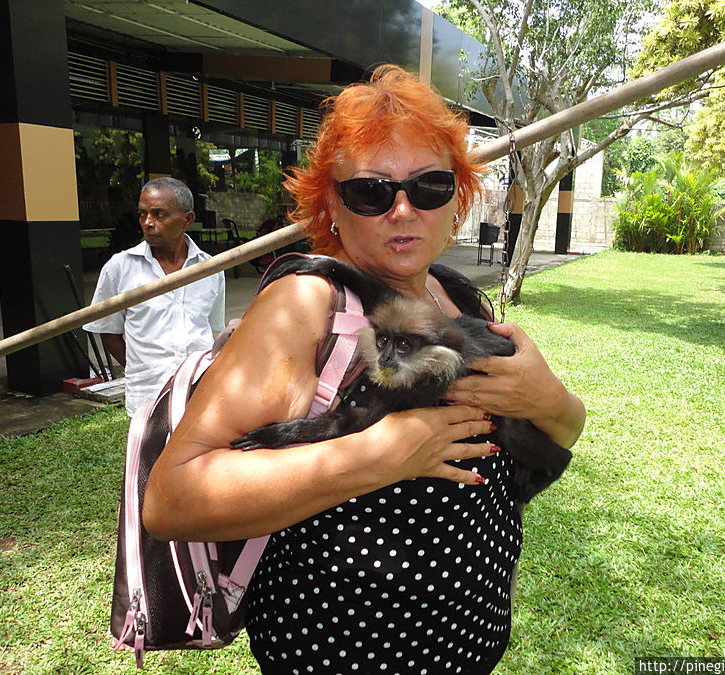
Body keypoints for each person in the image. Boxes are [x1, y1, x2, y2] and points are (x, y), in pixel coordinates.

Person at [143, 65, 585, 674]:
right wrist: (379, 457)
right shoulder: (307, 307)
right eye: (371, 192)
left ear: (458, 195)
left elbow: (549, 442)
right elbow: (171, 500)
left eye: (428, 187)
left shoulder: (455, 297)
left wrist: (550, 399)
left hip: (469, 648)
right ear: (330, 201)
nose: (403, 211)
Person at [84, 177, 225, 417]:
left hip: (199, 389)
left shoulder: (211, 269)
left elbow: (212, 328)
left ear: (187, 220)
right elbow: (108, 332)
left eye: (159, 214)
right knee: (152, 455)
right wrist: (141, 369)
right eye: (142, 214)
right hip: (148, 393)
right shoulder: (120, 268)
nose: (148, 223)